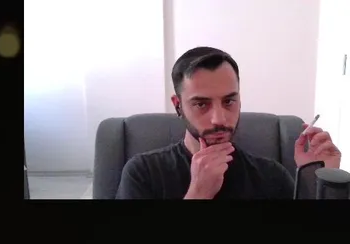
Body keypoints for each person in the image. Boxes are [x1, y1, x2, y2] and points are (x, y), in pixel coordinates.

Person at [116, 46, 341, 200]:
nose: (220, 119)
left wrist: (321, 181)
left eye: (229, 101)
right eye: (201, 104)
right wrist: (198, 194)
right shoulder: (143, 173)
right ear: (178, 106)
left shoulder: (271, 175)